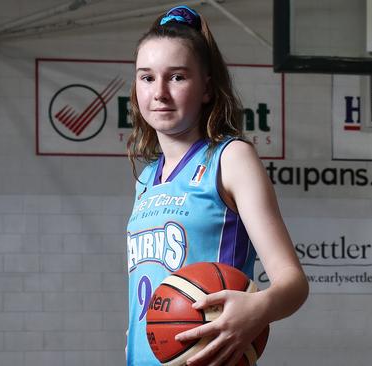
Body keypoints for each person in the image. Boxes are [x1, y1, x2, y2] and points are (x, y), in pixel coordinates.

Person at [125, 5, 309, 366]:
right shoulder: (147, 177)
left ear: (207, 88)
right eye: (146, 78)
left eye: (176, 77)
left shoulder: (231, 158)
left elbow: (293, 283)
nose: (159, 92)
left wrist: (257, 308)